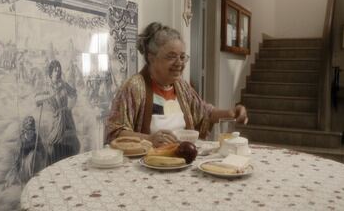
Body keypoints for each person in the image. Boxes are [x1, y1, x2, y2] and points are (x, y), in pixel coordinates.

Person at [106, 22, 248, 147]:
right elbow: (114, 132)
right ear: (151, 57)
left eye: (182, 57)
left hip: (181, 161)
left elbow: (205, 112)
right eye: (172, 56)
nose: (179, 63)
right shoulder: (134, 87)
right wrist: (149, 139)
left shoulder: (181, 86)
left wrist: (231, 113)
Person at [35, 60, 80, 164]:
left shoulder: (64, 84)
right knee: (53, 143)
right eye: (55, 70)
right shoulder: (47, 86)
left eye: (59, 70)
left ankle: (70, 163)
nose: (58, 72)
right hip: (55, 118)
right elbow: (37, 99)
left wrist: (70, 107)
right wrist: (50, 95)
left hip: (67, 117)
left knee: (72, 141)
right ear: (50, 73)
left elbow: (74, 93)